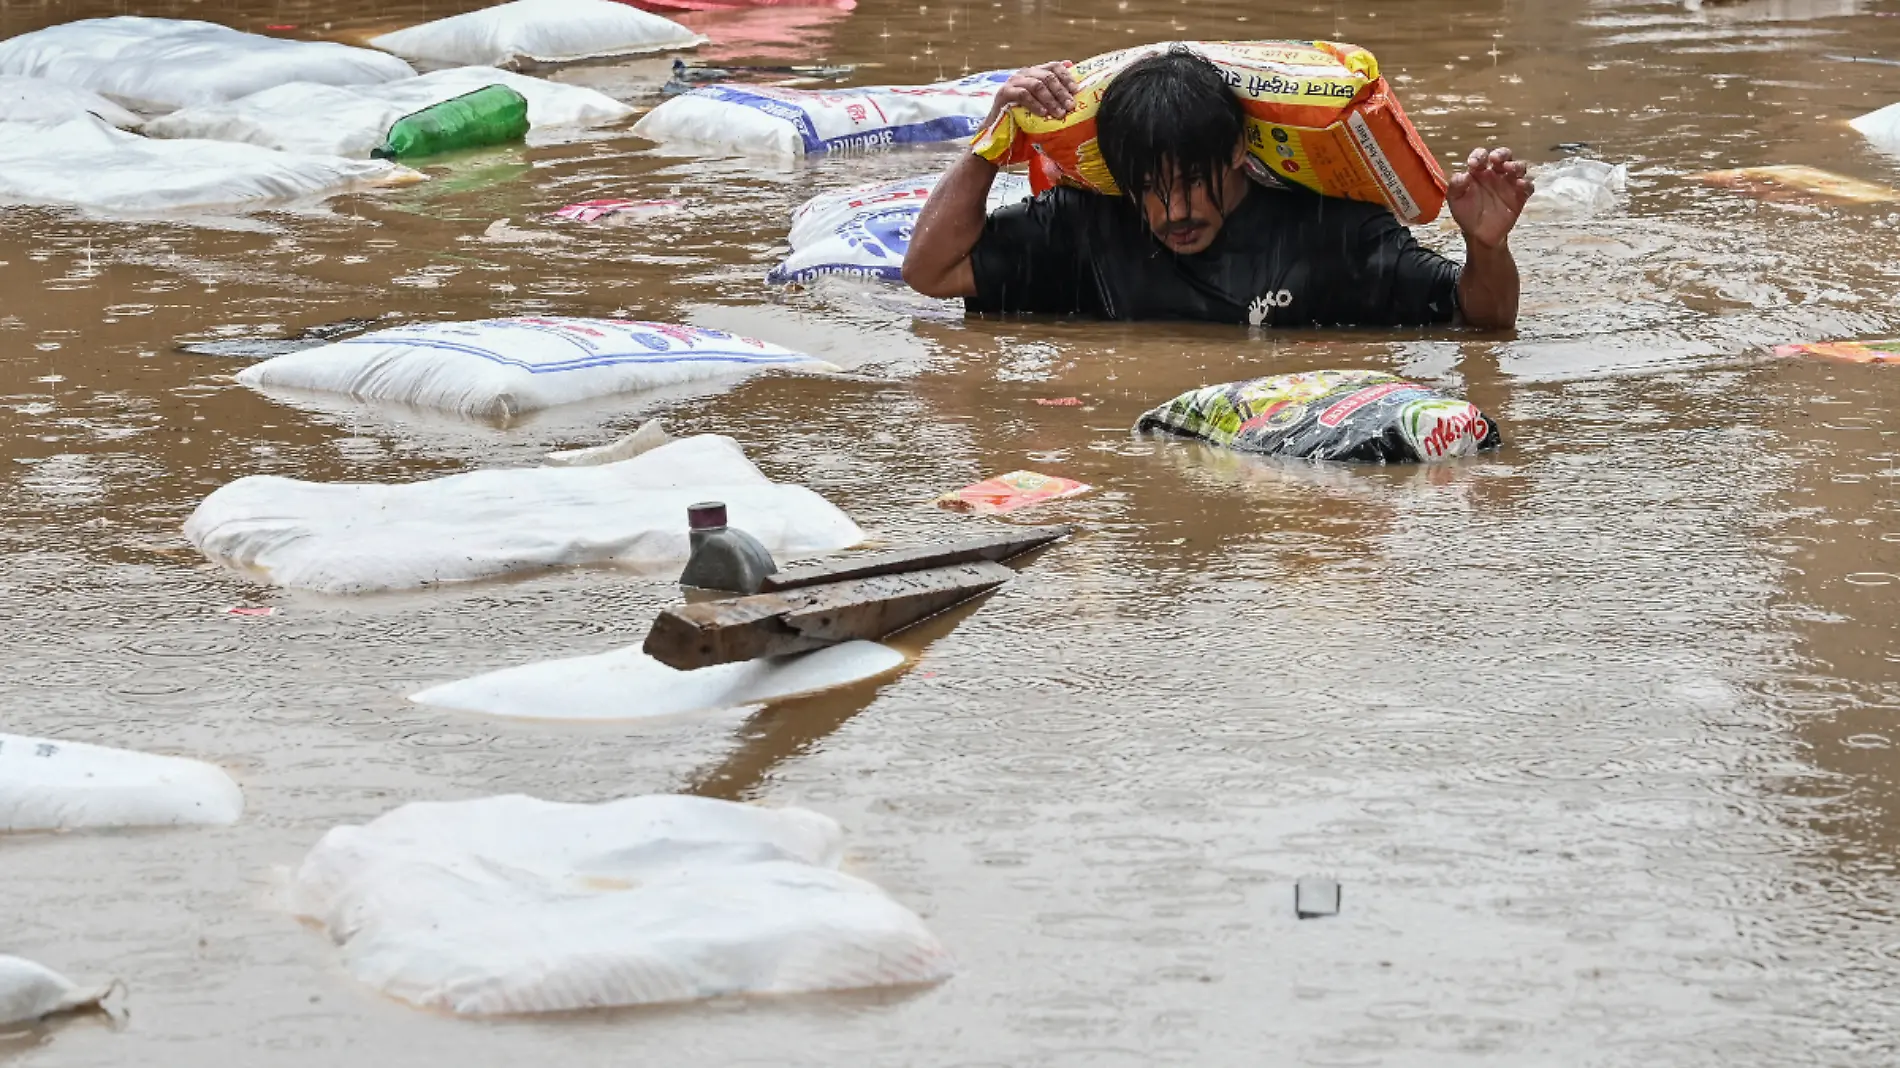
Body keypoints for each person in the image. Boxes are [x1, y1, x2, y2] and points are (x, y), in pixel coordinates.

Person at [902, 47, 1533, 329]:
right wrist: (993, 137)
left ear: (1237, 152)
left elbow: (1484, 319)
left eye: (1189, 183)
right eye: (1149, 188)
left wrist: (1486, 247)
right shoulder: (1085, 226)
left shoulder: (1332, 234)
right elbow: (930, 271)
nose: (1174, 210)